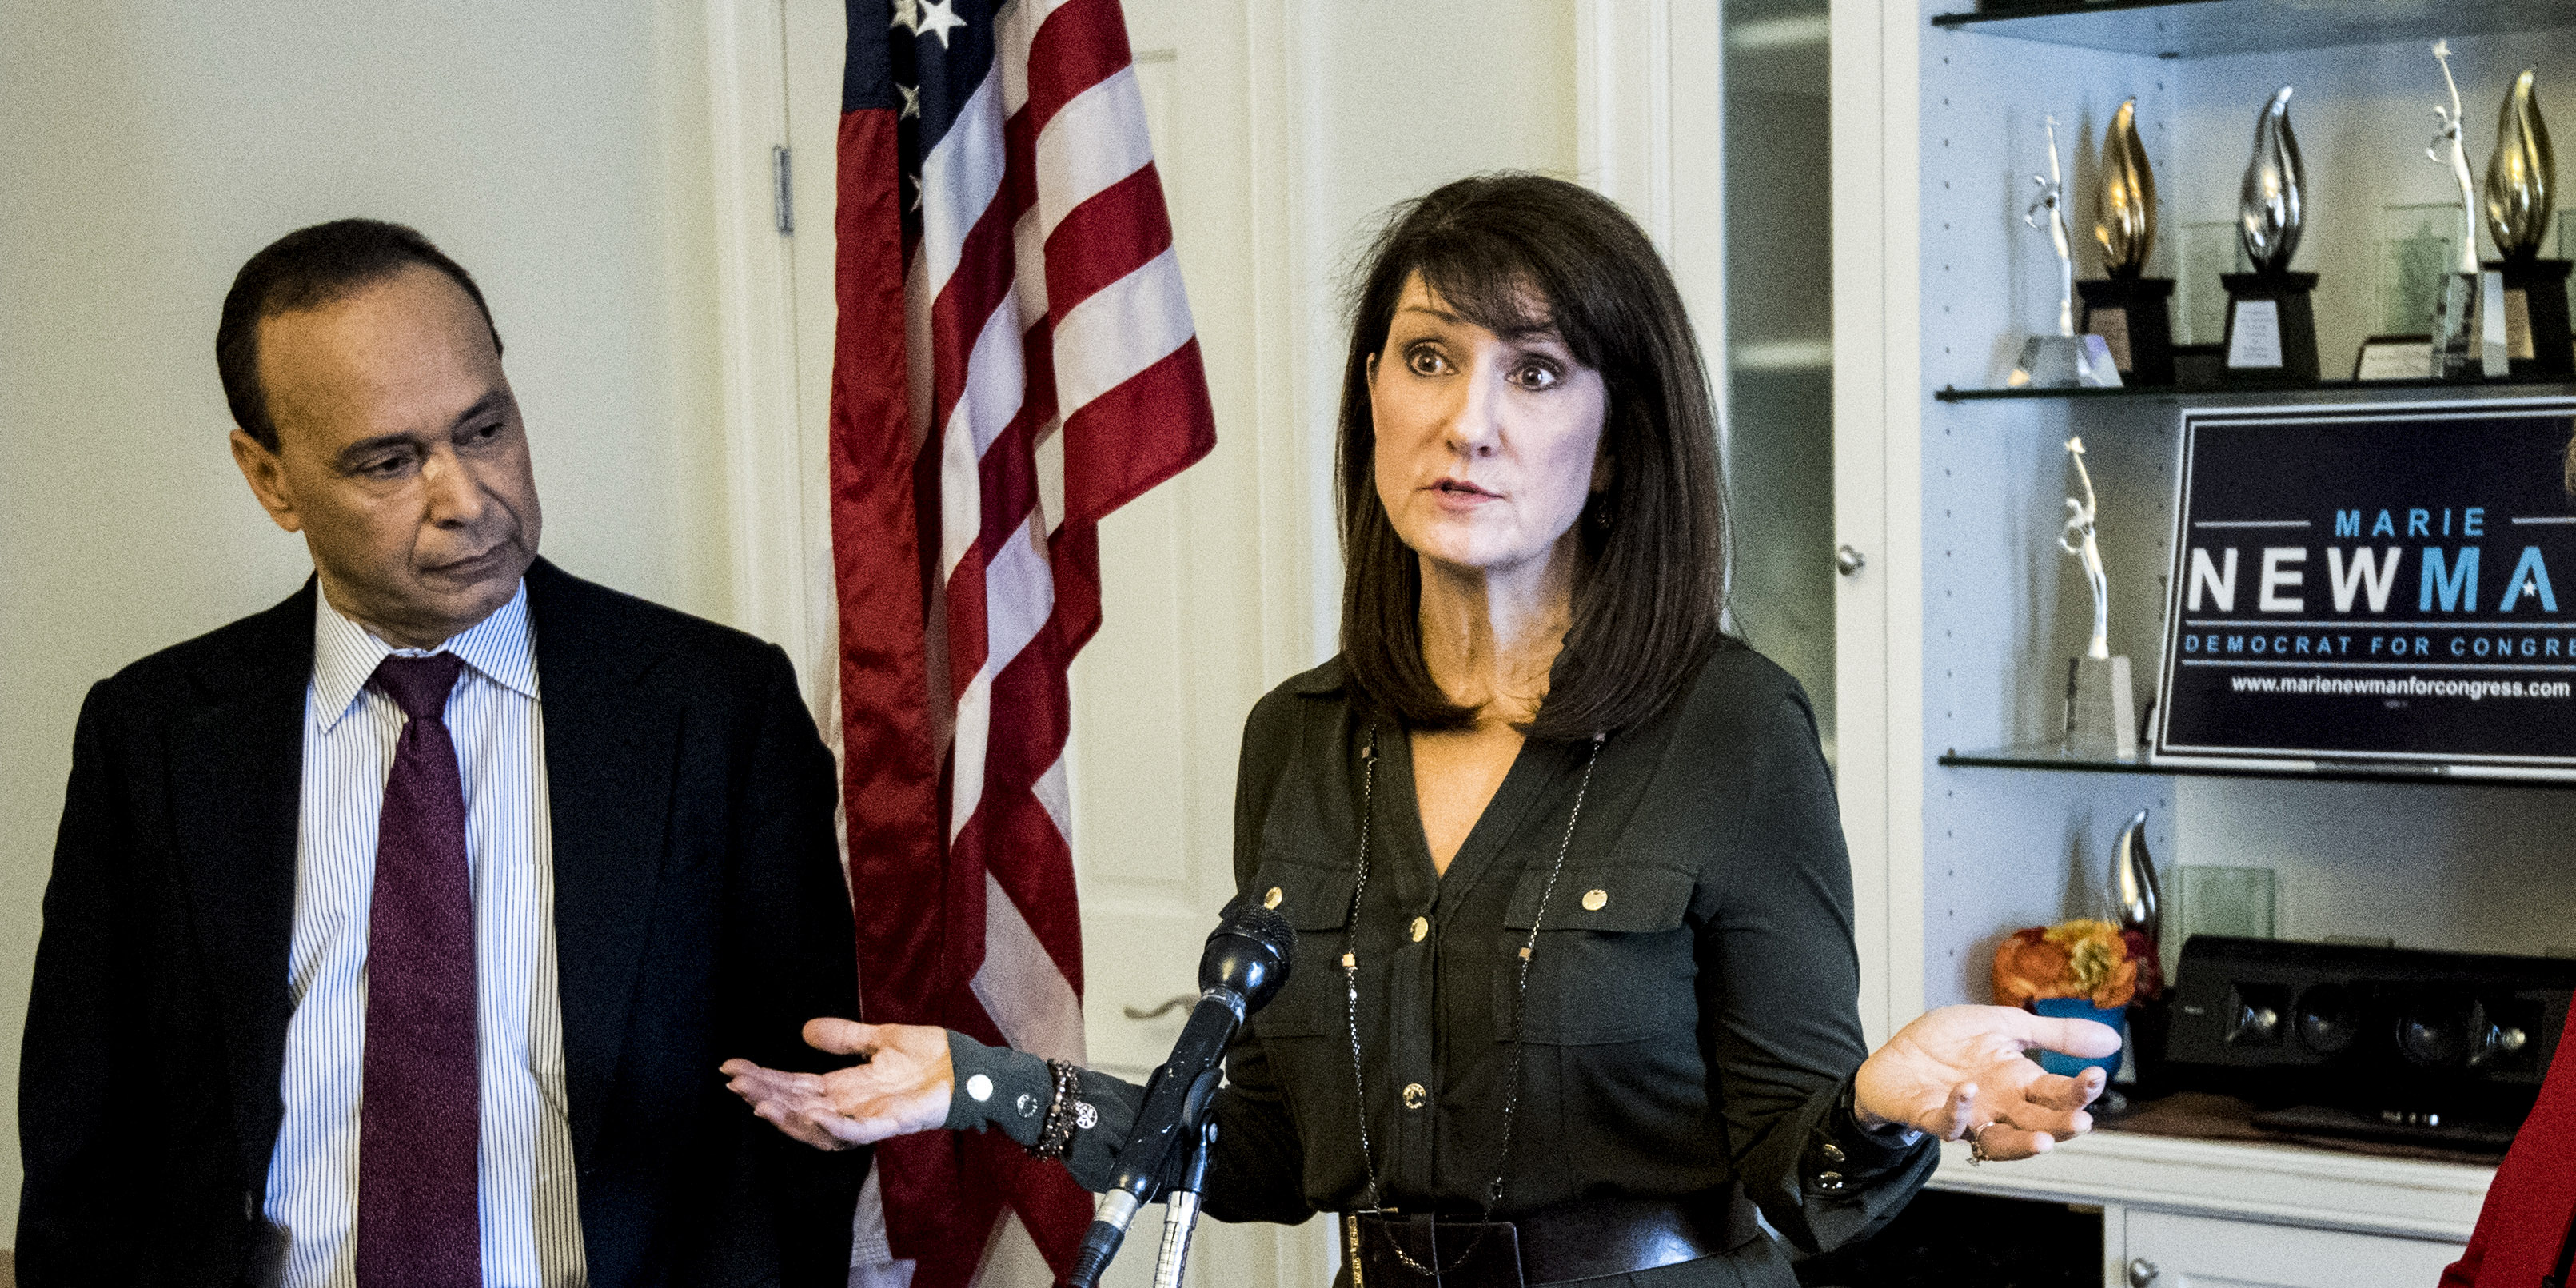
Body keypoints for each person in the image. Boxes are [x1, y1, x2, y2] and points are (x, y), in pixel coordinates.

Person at [725, 175, 2116, 1285]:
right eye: (1429, 359)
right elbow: (1259, 1150)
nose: (1467, 423)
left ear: (1619, 441)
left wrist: (1880, 1103)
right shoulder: (1301, 738)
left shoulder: (1732, 727)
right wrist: (979, 1084)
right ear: (1372, 397)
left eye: (1535, 374)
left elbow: (1803, 1188)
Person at [18, 219, 863, 1288]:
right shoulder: (155, 735)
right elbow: (84, 1144)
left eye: (483, 429)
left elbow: (804, 1109)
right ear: (270, 479)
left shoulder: (714, 707)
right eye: (389, 461)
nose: (466, 499)